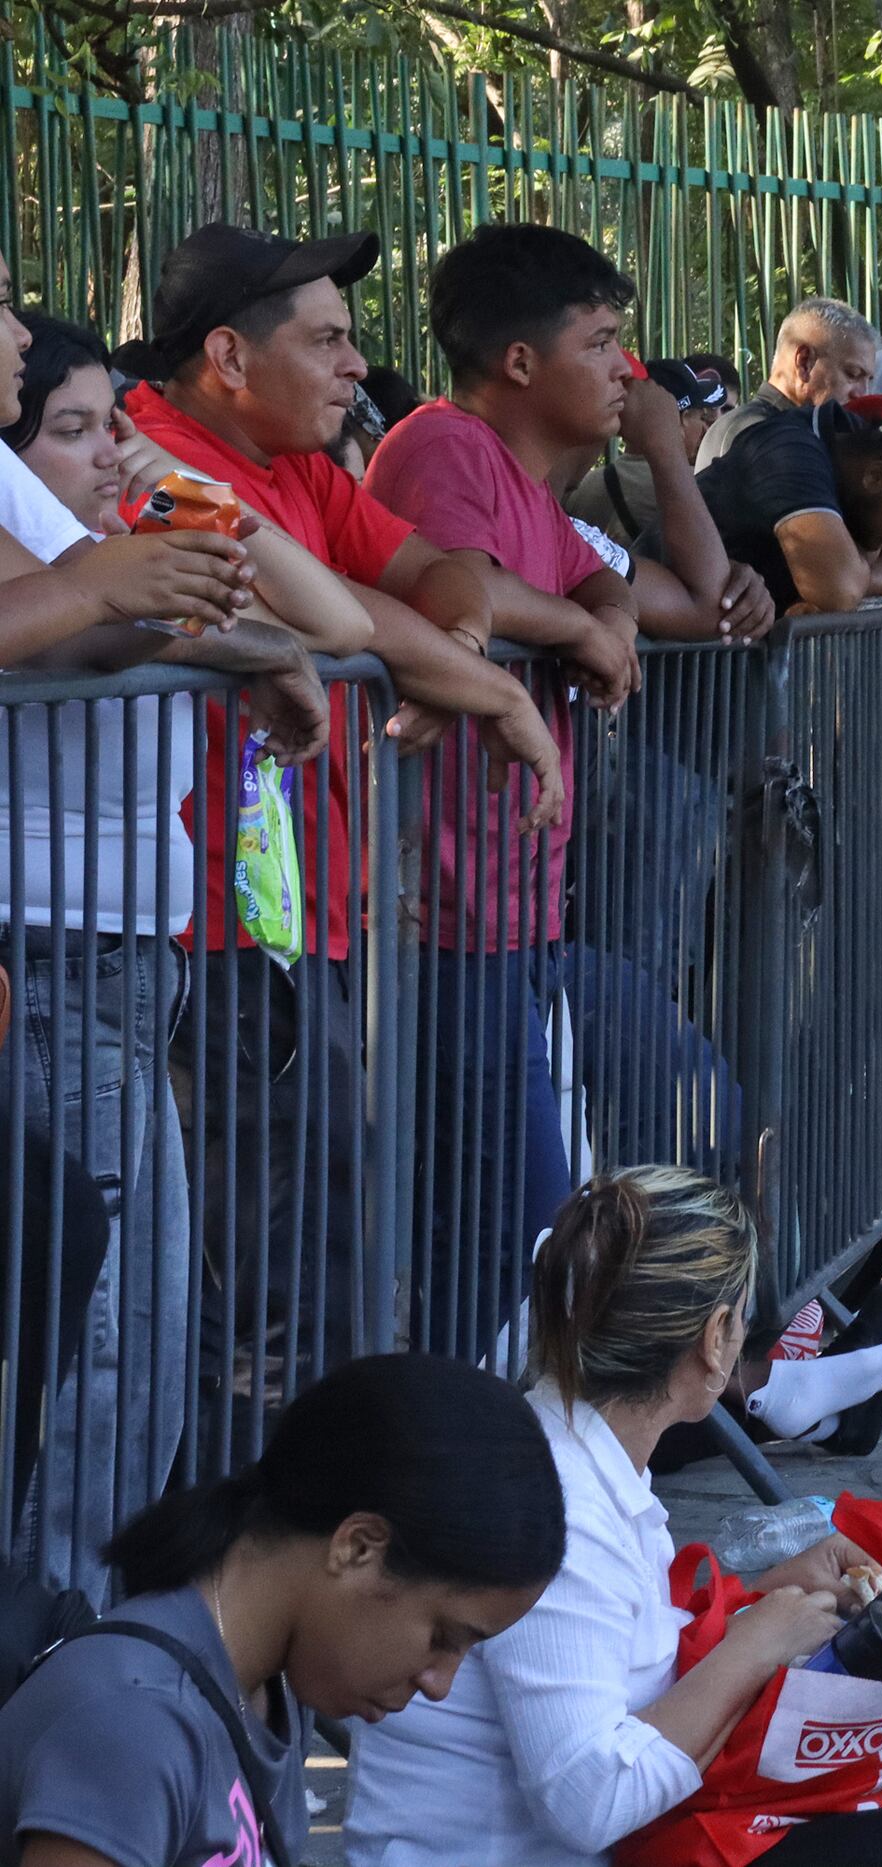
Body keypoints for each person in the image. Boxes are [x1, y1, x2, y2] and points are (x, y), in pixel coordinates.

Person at [112, 222, 568, 1432]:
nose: (358, 364)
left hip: (294, 919)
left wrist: (459, 653)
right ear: (226, 353)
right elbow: (339, 616)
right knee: (277, 1281)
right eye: (329, 339)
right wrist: (492, 688)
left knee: (324, 1254)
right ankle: (275, 1565)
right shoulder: (148, 458)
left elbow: (429, 580)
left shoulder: (303, 465)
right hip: (210, 930)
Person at [0, 306, 371, 1588]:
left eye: (113, 423)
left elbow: (332, 623)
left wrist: (205, 540)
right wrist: (159, 607)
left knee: (139, 1328)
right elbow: (85, 625)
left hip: (115, 969)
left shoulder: (97, 530)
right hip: (50, 956)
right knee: (110, 1331)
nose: (109, 453)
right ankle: (58, 1614)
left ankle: (71, 1606)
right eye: (73, 429)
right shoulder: (39, 525)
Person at [349, 1168, 882, 1867]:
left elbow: (624, 1654)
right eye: (743, 1315)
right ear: (716, 1335)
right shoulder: (556, 1500)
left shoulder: (584, 1454)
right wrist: (753, 1647)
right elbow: (589, 1799)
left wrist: (770, 1599)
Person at [366, 221, 660, 1359]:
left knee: (514, 1224)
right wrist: (588, 624)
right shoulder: (444, 448)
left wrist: (609, 617)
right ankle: (454, 1483)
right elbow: (460, 588)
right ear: (522, 362)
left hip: (512, 912)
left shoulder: (526, 483)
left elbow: (594, 574)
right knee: (499, 1227)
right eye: (602, 342)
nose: (625, 369)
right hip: (445, 916)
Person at [0, 1353, 564, 1867]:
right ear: (358, 1546)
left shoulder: (270, 1688)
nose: (440, 1683)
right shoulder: (133, 1726)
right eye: (444, 1634)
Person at [692, 297, 882, 619]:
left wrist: (857, 569)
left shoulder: (839, 437)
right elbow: (839, 586)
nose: (862, 393)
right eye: (853, 374)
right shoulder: (776, 441)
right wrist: (855, 568)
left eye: (869, 380)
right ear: (805, 362)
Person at [565, 356, 729, 544]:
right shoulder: (692, 487)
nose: (705, 429)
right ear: (681, 419)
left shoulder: (586, 487)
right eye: (701, 417)